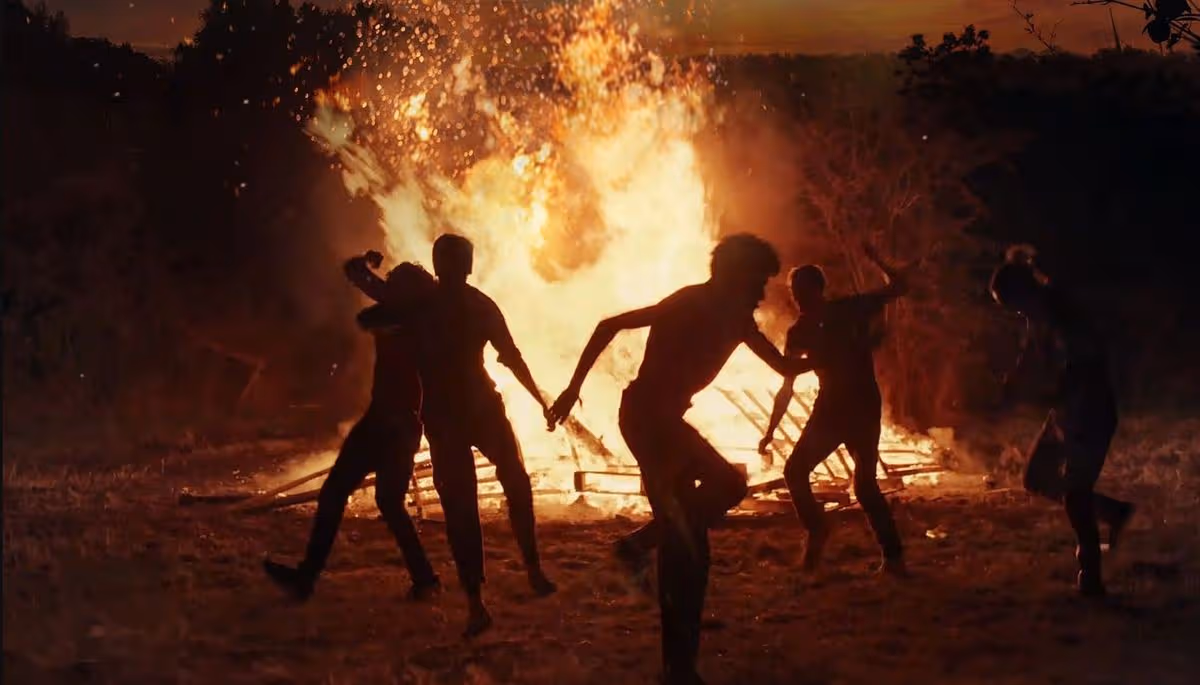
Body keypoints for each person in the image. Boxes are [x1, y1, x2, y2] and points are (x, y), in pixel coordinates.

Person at [547, 234, 814, 685]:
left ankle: (645, 559)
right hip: (646, 418)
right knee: (700, 526)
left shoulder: (738, 321)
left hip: (664, 421)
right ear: (733, 276)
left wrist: (834, 353)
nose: (761, 294)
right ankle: (676, 661)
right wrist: (573, 389)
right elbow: (609, 325)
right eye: (757, 282)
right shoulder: (688, 302)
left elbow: (785, 368)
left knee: (701, 529)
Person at [365, 234, 555, 638]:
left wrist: (540, 400)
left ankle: (515, 579)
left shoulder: (456, 305)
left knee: (495, 490)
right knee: (470, 500)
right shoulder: (440, 305)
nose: (451, 268)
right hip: (455, 415)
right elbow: (511, 356)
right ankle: (487, 596)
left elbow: (511, 356)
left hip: (471, 411)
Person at [263, 255, 440, 603]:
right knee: (358, 497)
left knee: (378, 500)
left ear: (408, 292)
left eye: (396, 284)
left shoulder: (412, 320)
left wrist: (367, 274)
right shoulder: (403, 311)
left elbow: (368, 313)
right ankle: (309, 578)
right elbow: (361, 286)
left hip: (396, 425)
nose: (389, 288)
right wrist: (364, 265)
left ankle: (424, 579)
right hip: (385, 421)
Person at [989, 245, 1135, 597]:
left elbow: (1084, 366)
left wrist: (1044, 397)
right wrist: (1013, 383)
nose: (1016, 313)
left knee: (1075, 495)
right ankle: (1113, 513)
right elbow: (1030, 354)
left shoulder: (1065, 315)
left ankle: (1091, 578)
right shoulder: (1037, 315)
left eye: (1013, 305)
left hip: (1090, 413)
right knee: (1037, 478)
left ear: (1025, 293)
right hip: (1066, 413)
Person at [758, 243, 909, 577]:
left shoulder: (849, 310)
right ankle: (818, 528)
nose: (799, 299)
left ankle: (894, 558)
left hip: (861, 406)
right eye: (795, 293)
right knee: (795, 472)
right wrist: (770, 430)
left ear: (819, 290)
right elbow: (787, 384)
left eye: (804, 291)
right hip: (829, 410)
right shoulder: (799, 332)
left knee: (865, 486)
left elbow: (899, 287)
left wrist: (878, 260)